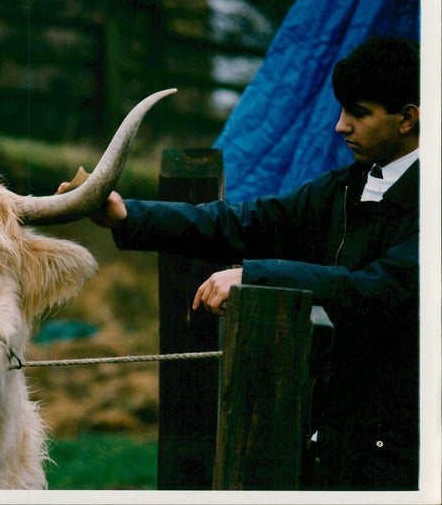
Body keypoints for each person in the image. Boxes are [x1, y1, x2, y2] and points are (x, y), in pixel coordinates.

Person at [68, 36, 420, 490]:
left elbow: (375, 290)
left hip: (400, 451)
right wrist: (129, 215)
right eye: (341, 110)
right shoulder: (341, 189)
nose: (340, 126)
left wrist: (255, 276)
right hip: (327, 436)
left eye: (359, 112)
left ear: (408, 118)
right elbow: (244, 222)